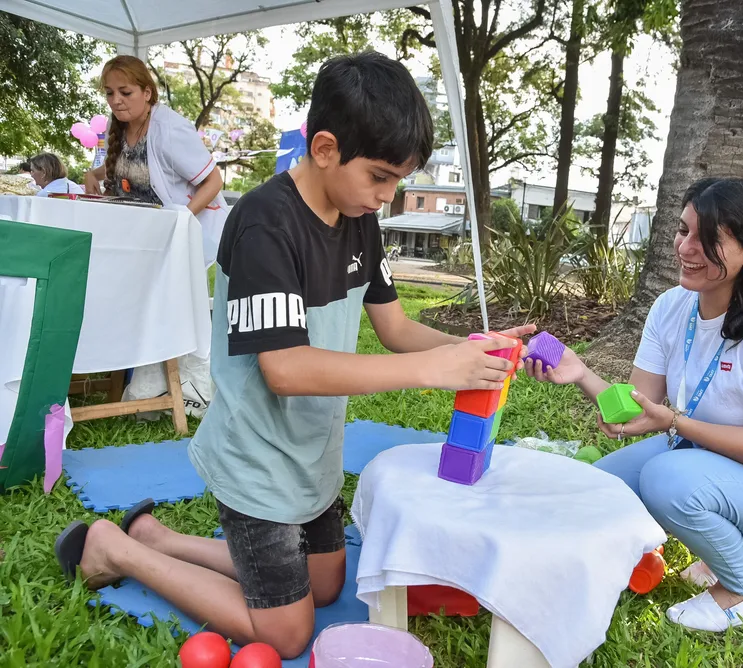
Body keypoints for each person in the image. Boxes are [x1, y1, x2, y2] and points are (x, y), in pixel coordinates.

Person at [54, 52, 533, 659]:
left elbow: (396, 328)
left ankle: (158, 538)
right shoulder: (264, 225)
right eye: (381, 177)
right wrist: (431, 372)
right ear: (327, 148)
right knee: (288, 631)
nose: (386, 198)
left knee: (327, 583)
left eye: (396, 182)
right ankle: (115, 548)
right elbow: (287, 370)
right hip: (258, 458)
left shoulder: (358, 218)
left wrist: (474, 350)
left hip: (313, 450)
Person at [526, 177, 743, 632]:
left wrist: (678, 423)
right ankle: (704, 549)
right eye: (683, 231)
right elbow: (639, 406)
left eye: (707, 239)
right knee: (599, 489)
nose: (686, 247)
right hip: (717, 457)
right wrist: (579, 372)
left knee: (666, 479)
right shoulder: (671, 306)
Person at [83, 55, 228, 265]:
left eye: (125, 92)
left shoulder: (170, 130)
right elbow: (122, 166)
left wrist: (180, 220)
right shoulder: (116, 126)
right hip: (130, 238)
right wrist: (91, 174)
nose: (115, 100)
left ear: (147, 93)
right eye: (109, 93)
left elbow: (213, 181)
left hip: (170, 243)